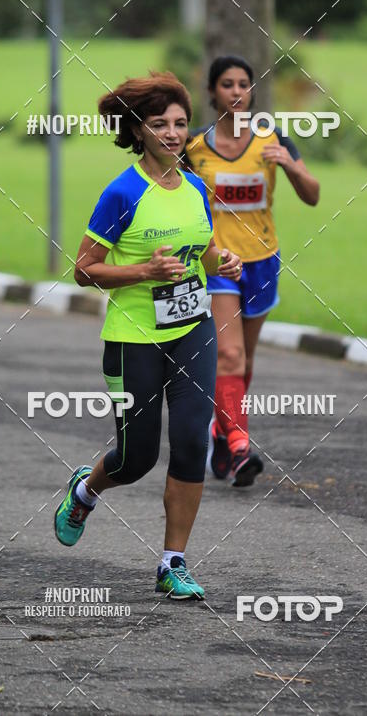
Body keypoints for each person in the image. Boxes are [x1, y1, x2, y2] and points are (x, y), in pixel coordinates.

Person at [53, 72, 242, 600]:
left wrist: (220, 258)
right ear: (138, 130)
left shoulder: (196, 187)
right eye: (159, 124)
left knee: (189, 444)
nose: (173, 133)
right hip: (132, 338)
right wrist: (141, 272)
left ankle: (172, 562)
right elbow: (84, 270)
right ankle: (86, 490)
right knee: (136, 458)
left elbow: (199, 249)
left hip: (193, 330)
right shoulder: (122, 192)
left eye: (180, 123)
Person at [186, 55, 320, 487]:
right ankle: (241, 447)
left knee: (244, 360)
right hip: (219, 264)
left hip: (263, 261)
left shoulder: (272, 140)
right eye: (227, 84)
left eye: (244, 83)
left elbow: (313, 195)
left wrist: (290, 164)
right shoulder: (193, 148)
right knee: (228, 355)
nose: (237, 91)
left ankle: (220, 428)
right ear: (211, 92)